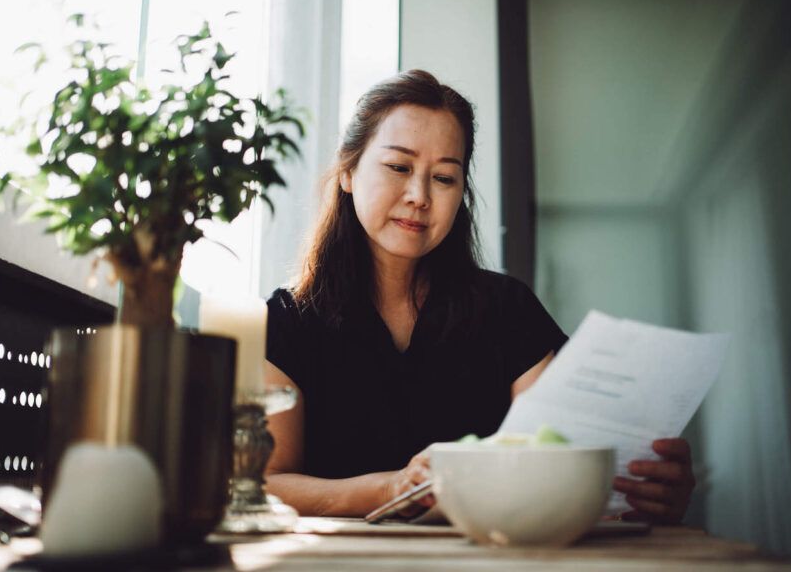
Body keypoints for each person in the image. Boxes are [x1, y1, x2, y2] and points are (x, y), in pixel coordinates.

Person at [264, 70, 695, 523]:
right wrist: (388, 489)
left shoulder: (508, 310)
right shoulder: (287, 320)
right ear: (348, 171)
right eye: (399, 167)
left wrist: (646, 491)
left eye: (444, 177)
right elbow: (266, 483)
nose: (419, 196)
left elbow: (565, 467)